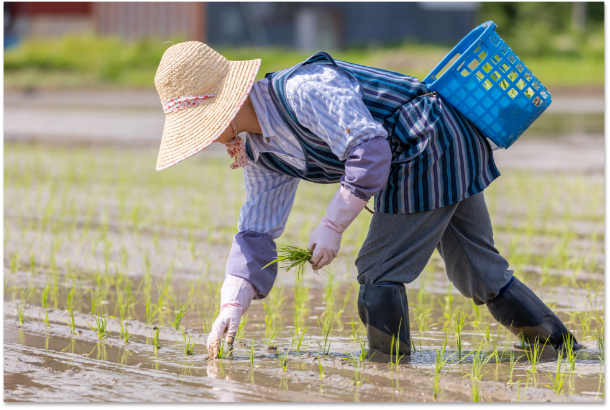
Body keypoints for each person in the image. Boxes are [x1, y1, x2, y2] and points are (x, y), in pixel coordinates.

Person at [153, 42, 581, 359]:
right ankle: (562, 351)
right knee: (479, 271)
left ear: (223, 108)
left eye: (201, 127)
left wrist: (333, 225)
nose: (206, 139)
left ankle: (387, 370)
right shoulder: (261, 152)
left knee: (379, 273)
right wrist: (232, 303)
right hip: (432, 149)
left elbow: (369, 151)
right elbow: (256, 231)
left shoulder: (304, 90)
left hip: (428, 142)